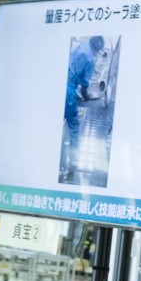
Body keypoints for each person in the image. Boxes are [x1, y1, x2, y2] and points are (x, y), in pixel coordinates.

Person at [61, 35, 104, 179]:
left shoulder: (80, 47)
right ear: (98, 48)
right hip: (69, 93)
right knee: (74, 127)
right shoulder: (91, 59)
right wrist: (87, 97)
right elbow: (85, 86)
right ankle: (72, 163)